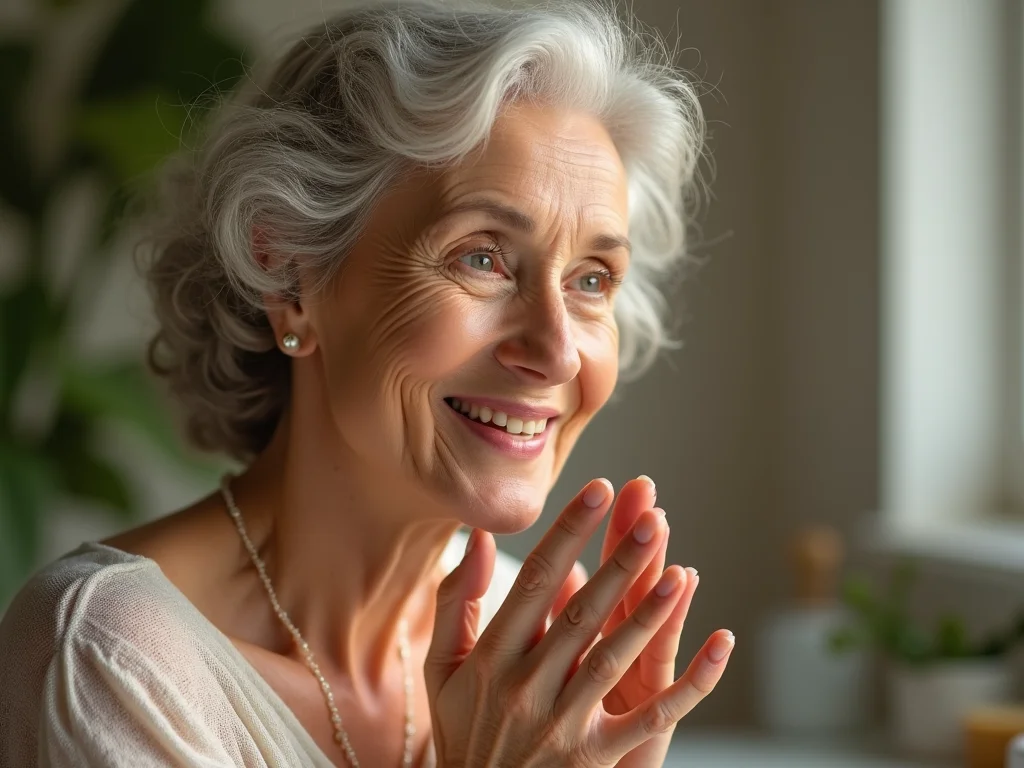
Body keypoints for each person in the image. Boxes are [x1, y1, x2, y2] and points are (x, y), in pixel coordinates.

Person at [0, 1, 734, 765]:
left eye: (591, 279)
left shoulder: (534, 660)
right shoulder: (108, 654)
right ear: (291, 277)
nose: (556, 352)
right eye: (481, 257)